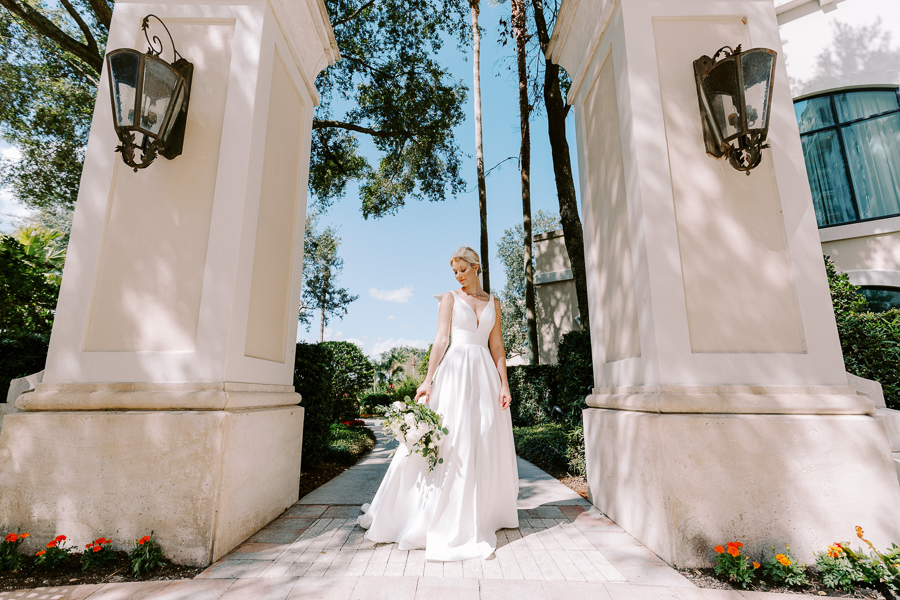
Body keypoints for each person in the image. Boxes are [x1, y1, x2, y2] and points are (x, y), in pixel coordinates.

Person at [357, 246, 519, 561]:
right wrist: (428, 380)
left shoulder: (494, 303)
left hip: (484, 374)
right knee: (451, 438)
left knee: (484, 436)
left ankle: (482, 511)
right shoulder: (449, 299)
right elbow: (441, 340)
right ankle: (428, 511)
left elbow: (497, 345)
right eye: (454, 271)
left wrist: (504, 384)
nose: (458, 276)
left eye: (462, 270)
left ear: (476, 268)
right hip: (455, 373)